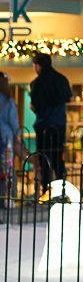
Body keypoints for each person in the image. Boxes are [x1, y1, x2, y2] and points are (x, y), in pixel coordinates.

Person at [29, 52, 72, 187]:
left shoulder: (36, 83)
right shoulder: (62, 79)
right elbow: (69, 98)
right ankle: (61, 187)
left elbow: (36, 106)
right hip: (59, 124)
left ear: (38, 65)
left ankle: (46, 190)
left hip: (43, 125)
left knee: (44, 159)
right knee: (58, 157)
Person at [0, 71, 22, 201]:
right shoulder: (8, 100)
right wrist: (18, 134)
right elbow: (13, 120)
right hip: (5, 138)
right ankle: (7, 198)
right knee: (7, 169)